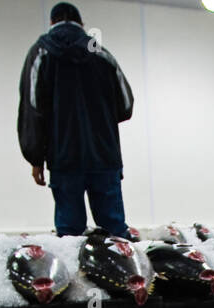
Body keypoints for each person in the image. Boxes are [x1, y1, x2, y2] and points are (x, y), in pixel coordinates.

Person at [17, 3, 135, 238]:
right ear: (82, 24)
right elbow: (126, 106)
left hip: (64, 157)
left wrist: (35, 158)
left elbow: (33, 109)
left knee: (70, 234)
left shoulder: (41, 53)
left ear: (52, 23)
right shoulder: (101, 54)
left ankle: (74, 275)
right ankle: (128, 274)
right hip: (104, 155)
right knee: (115, 231)